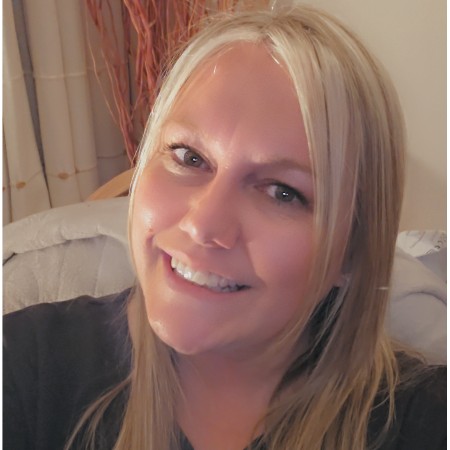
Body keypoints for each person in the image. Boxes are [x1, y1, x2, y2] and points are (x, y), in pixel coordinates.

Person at [3, 6, 446, 450]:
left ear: (351, 253)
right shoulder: (25, 365)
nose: (202, 224)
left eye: (282, 192)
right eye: (189, 157)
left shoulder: (425, 419)